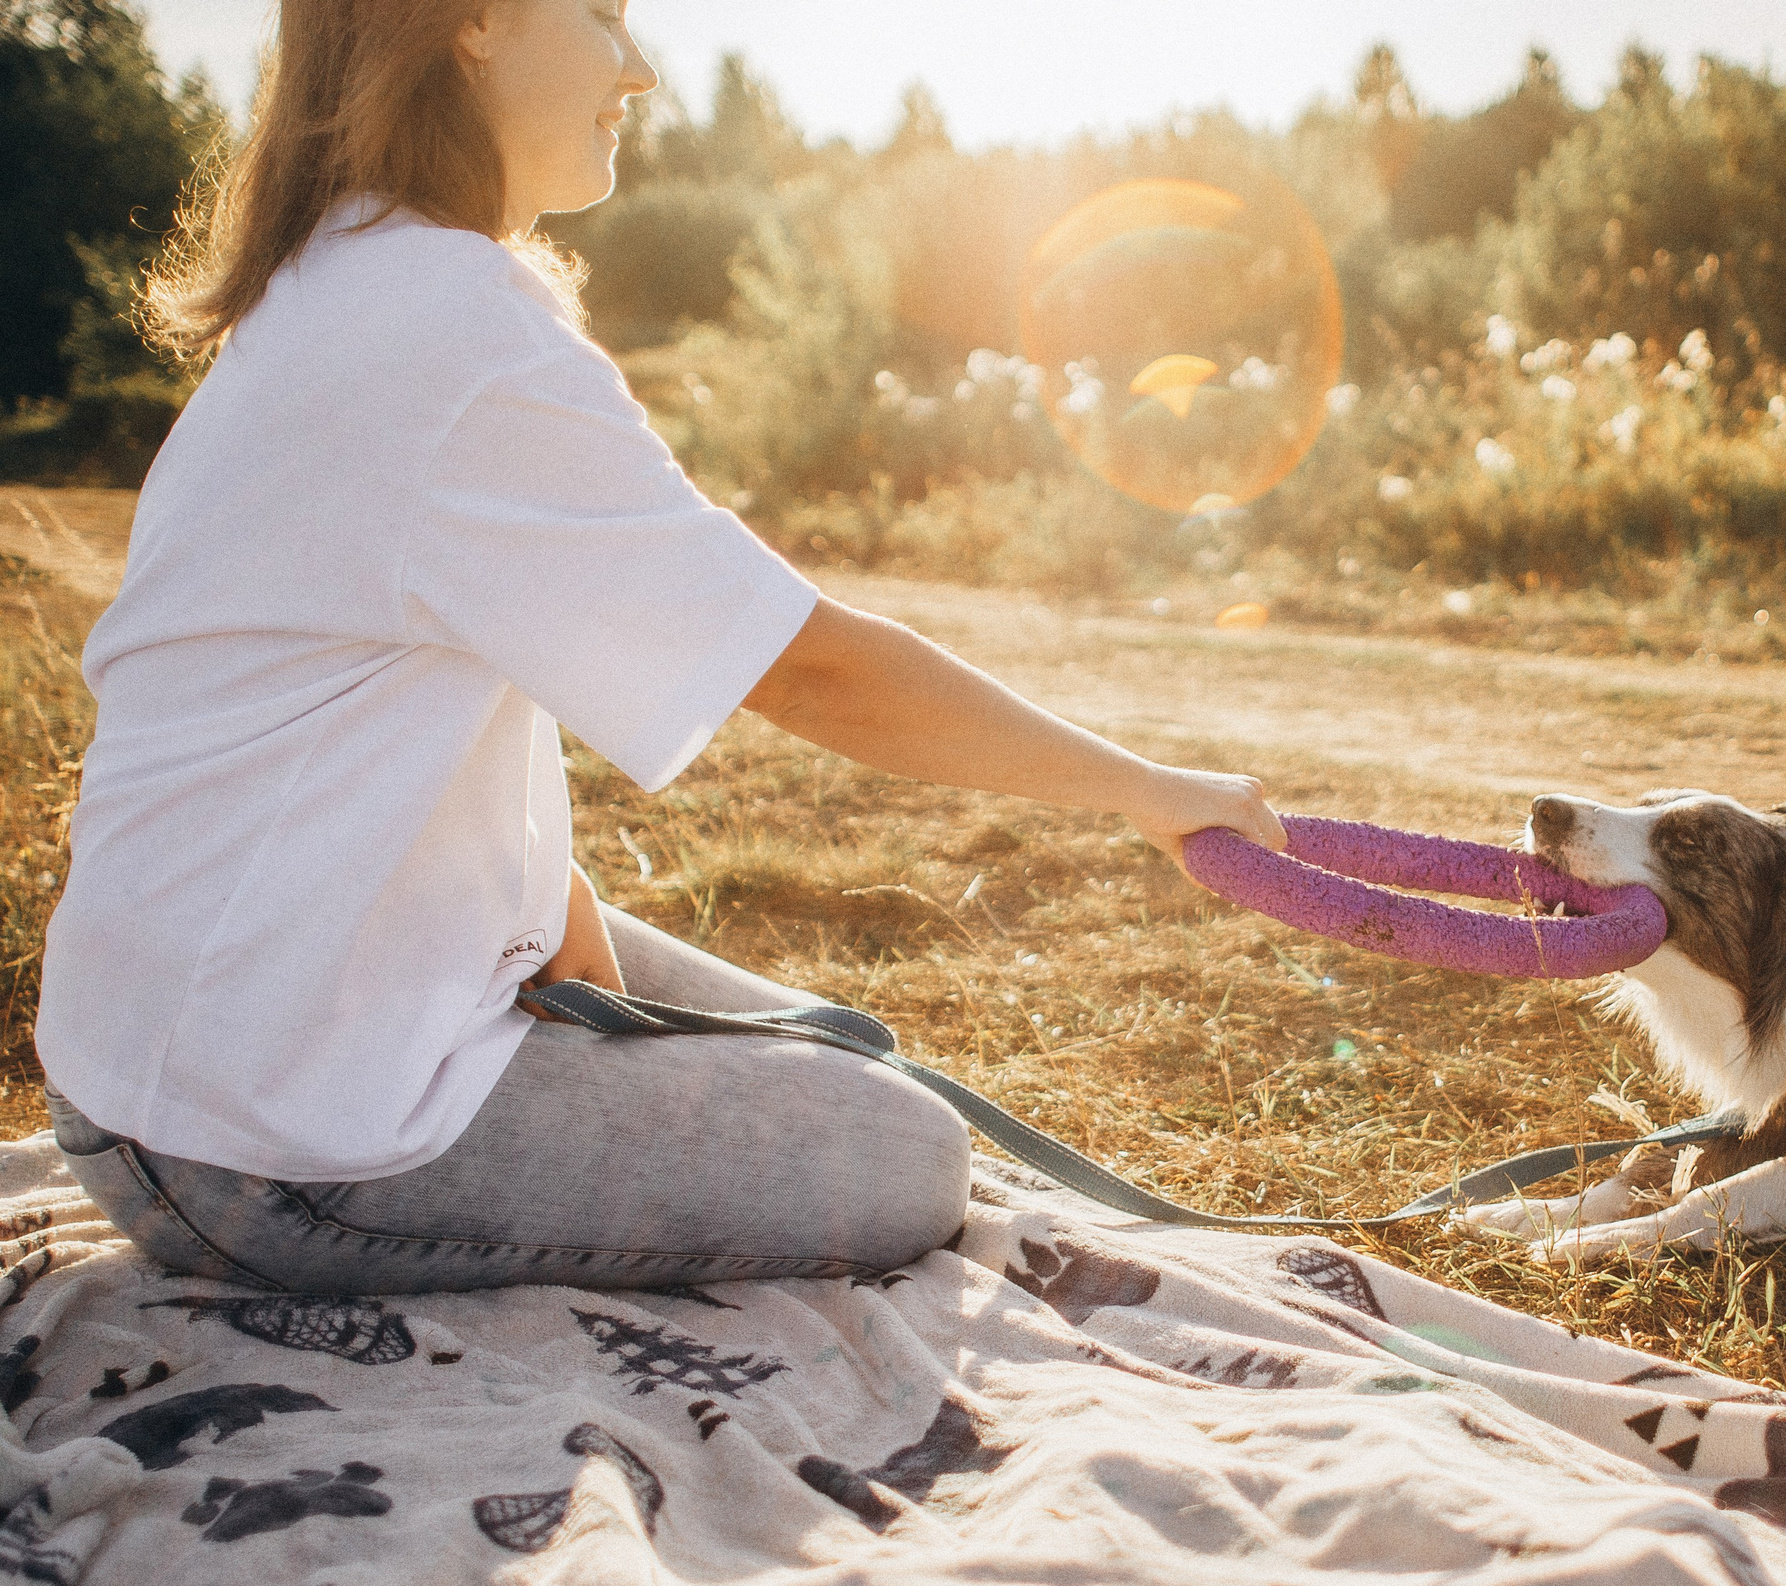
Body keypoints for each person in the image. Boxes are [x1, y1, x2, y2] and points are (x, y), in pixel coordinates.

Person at [33, 0, 1286, 1296]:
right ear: (470, 21)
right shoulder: (454, 327)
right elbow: (814, 668)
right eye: (604, 13)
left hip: (169, 1056)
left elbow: (399, 684)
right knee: (907, 1154)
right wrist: (1147, 788)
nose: (637, 69)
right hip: (266, 1128)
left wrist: (547, 899)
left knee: (848, 1054)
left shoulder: (350, 280)